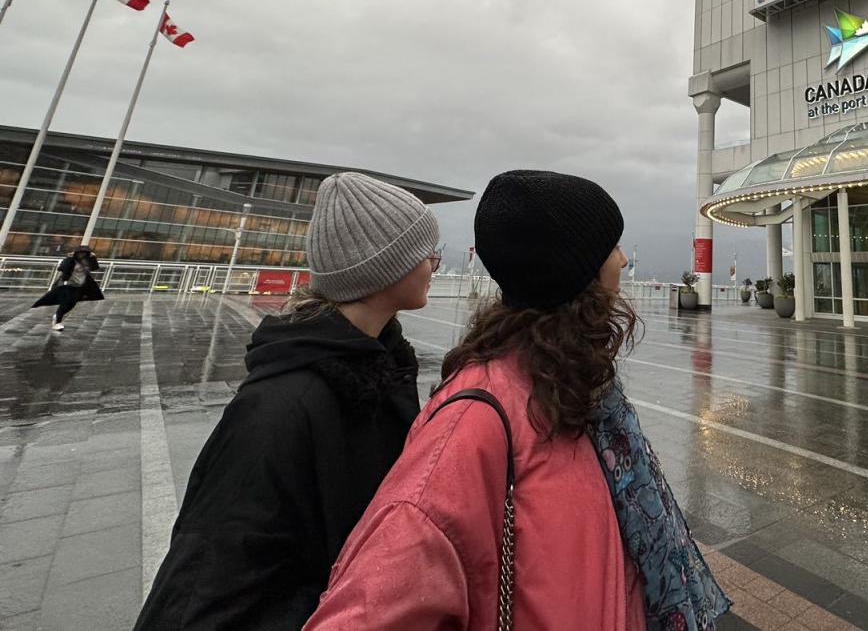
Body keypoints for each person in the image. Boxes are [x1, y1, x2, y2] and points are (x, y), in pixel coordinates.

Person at [306, 169, 730, 631]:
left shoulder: (573, 388)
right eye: (611, 247)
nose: (624, 261)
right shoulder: (474, 421)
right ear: (574, 271)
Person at [134, 172, 440, 630]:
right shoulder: (279, 406)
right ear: (384, 268)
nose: (435, 263)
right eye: (423, 252)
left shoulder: (384, 370)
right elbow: (204, 585)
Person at [30, 245, 104, 331]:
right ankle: (57, 322)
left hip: (79, 285)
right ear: (76, 253)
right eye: (80, 253)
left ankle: (57, 316)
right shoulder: (71, 260)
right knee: (65, 302)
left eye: (84, 253)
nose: (81, 255)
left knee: (72, 304)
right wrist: (68, 259)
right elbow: (60, 268)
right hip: (67, 284)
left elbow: (95, 267)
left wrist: (93, 257)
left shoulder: (87, 261)